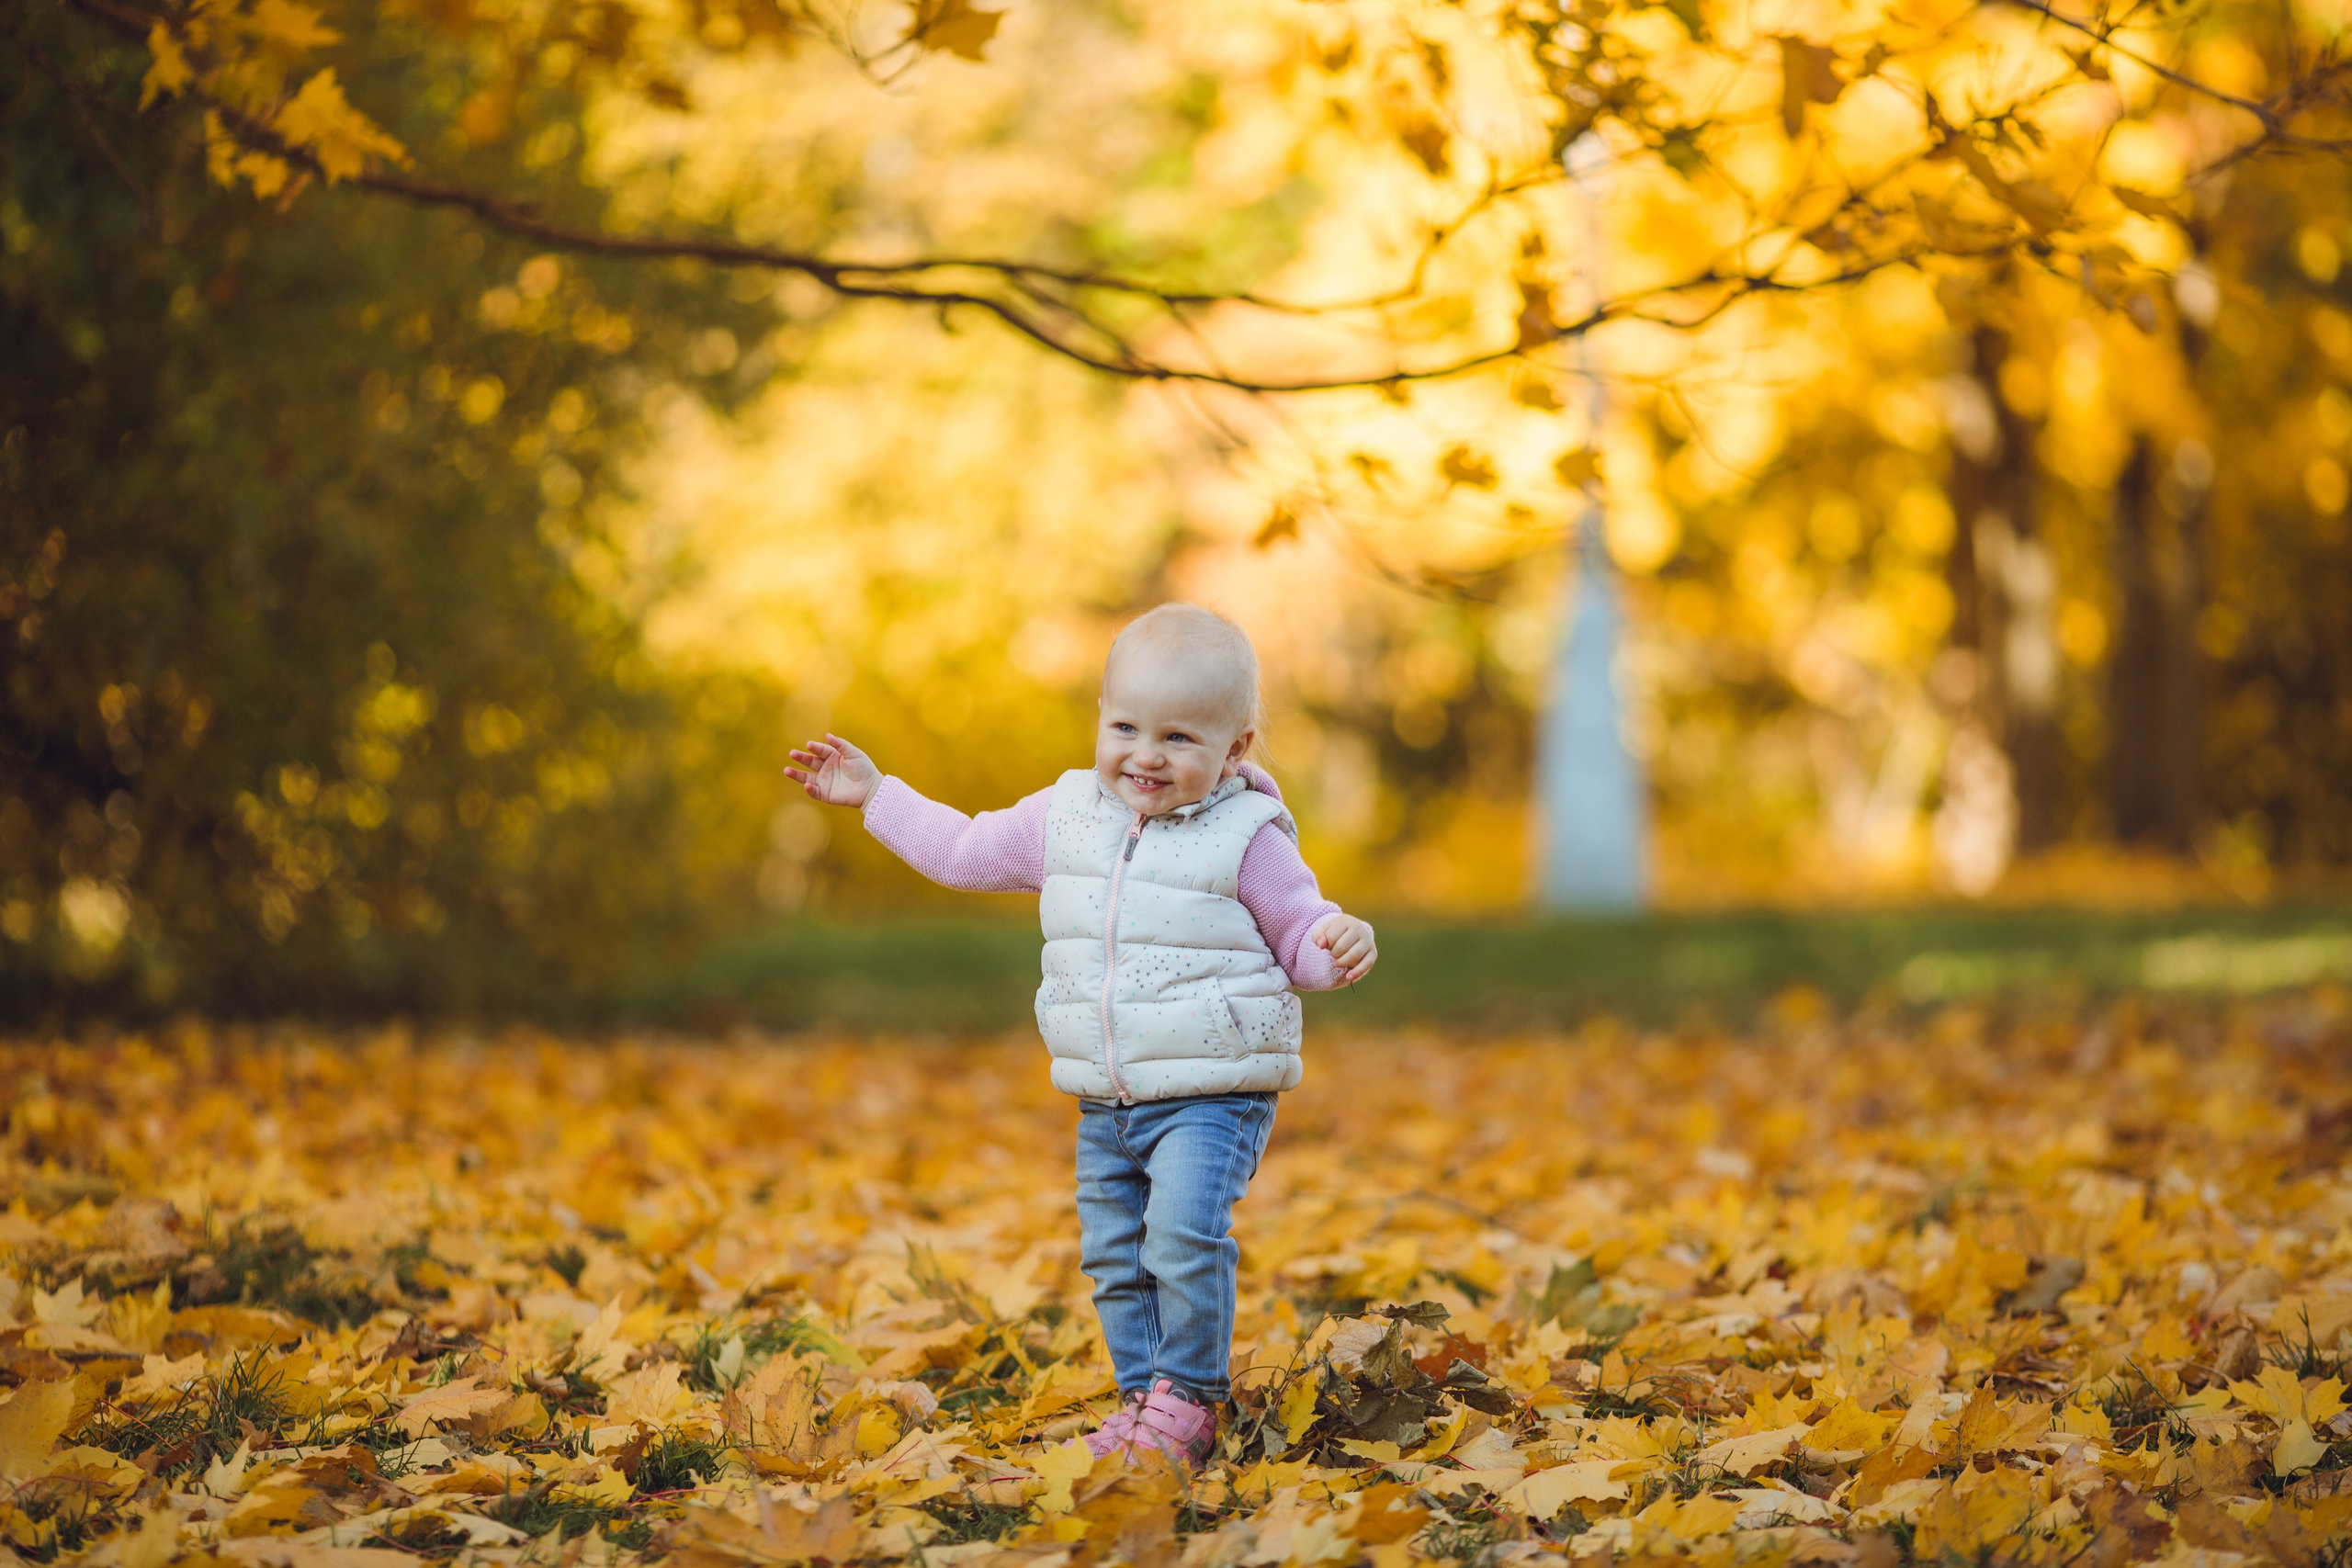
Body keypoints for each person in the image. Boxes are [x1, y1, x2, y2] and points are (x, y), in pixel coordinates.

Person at [786, 603, 1378, 1467]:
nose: (1146, 753)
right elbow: (962, 848)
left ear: (1235, 750)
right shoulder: (1064, 816)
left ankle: (1190, 1398)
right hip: (1108, 1093)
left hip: (1214, 1088)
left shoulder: (1245, 835)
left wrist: (1334, 949)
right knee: (1113, 1255)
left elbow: (1298, 933)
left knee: (1179, 1234)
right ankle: (1145, 1400)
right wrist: (877, 794)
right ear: (1099, 718)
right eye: (1126, 725)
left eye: (1179, 737)